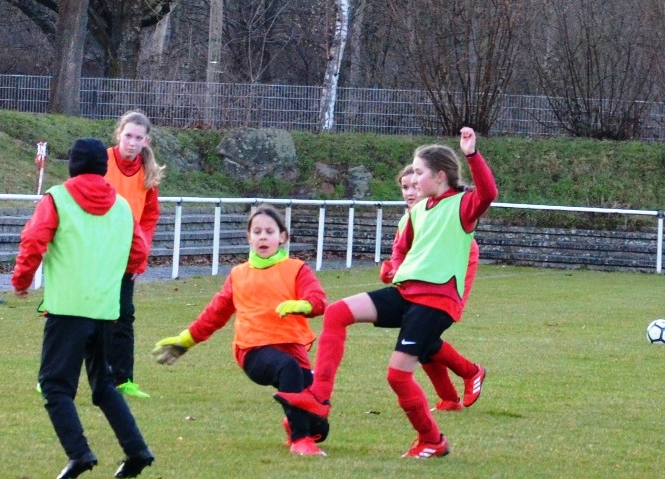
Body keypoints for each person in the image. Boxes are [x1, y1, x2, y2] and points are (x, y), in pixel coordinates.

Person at [275, 127, 497, 458]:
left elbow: (488, 193)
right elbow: (403, 252)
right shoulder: (418, 211)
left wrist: (472, 154)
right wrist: (393, 268)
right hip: (407, 294)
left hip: (435, 302)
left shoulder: (462, 205)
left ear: (440, 176)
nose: (413, 180)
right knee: (337, 312)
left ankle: (432, 441)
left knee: (397, 376)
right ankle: (319, 397)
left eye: (419, 172)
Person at [12, 137, 156, 479]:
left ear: (72, 166)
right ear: (104, 168)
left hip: (67, 308)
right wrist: (114, 275)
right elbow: (138, 252)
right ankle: (137, 451)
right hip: (105, 308)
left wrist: (21, 280)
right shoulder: (121, 205)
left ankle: (79, 454)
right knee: (104, 384)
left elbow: (34, 239)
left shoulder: (57, 198)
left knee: (55, 386)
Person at [151, 204, 330, 456]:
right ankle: (300, 442)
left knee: (320, 424)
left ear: (282, 237)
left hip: (292, 349)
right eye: (257, 232)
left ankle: (295, 424)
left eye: (269, 231)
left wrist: (304, 305)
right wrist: (186, 340)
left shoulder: (297, 269)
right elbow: (215, 314)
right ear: (249, 238)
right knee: (288, 368)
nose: (263, 237)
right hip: (252, 352)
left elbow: (318, 300)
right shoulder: (239, 275)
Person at [381, 164, 485, 412]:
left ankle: (470, 372)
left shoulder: (442, 211)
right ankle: (449, 398)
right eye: (405, 187)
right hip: (422, 284)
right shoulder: (409, 218)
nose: (410, 192)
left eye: (415, 186)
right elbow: (402, 254)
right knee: (420, 335)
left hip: (451, 275)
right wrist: (391, 270)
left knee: (422, 333)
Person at [104, 110, 165, 399]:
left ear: (146, 141)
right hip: (97, 251)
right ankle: (56, 377)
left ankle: (123, 379)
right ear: (119, 134)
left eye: (138, 138)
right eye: (128, 135)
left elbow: (150, 215)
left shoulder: (148, 171)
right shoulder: (102, 161)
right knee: (84, 316)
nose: (132, 142)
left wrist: (142, 250)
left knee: (124, 314)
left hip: (126, 255)